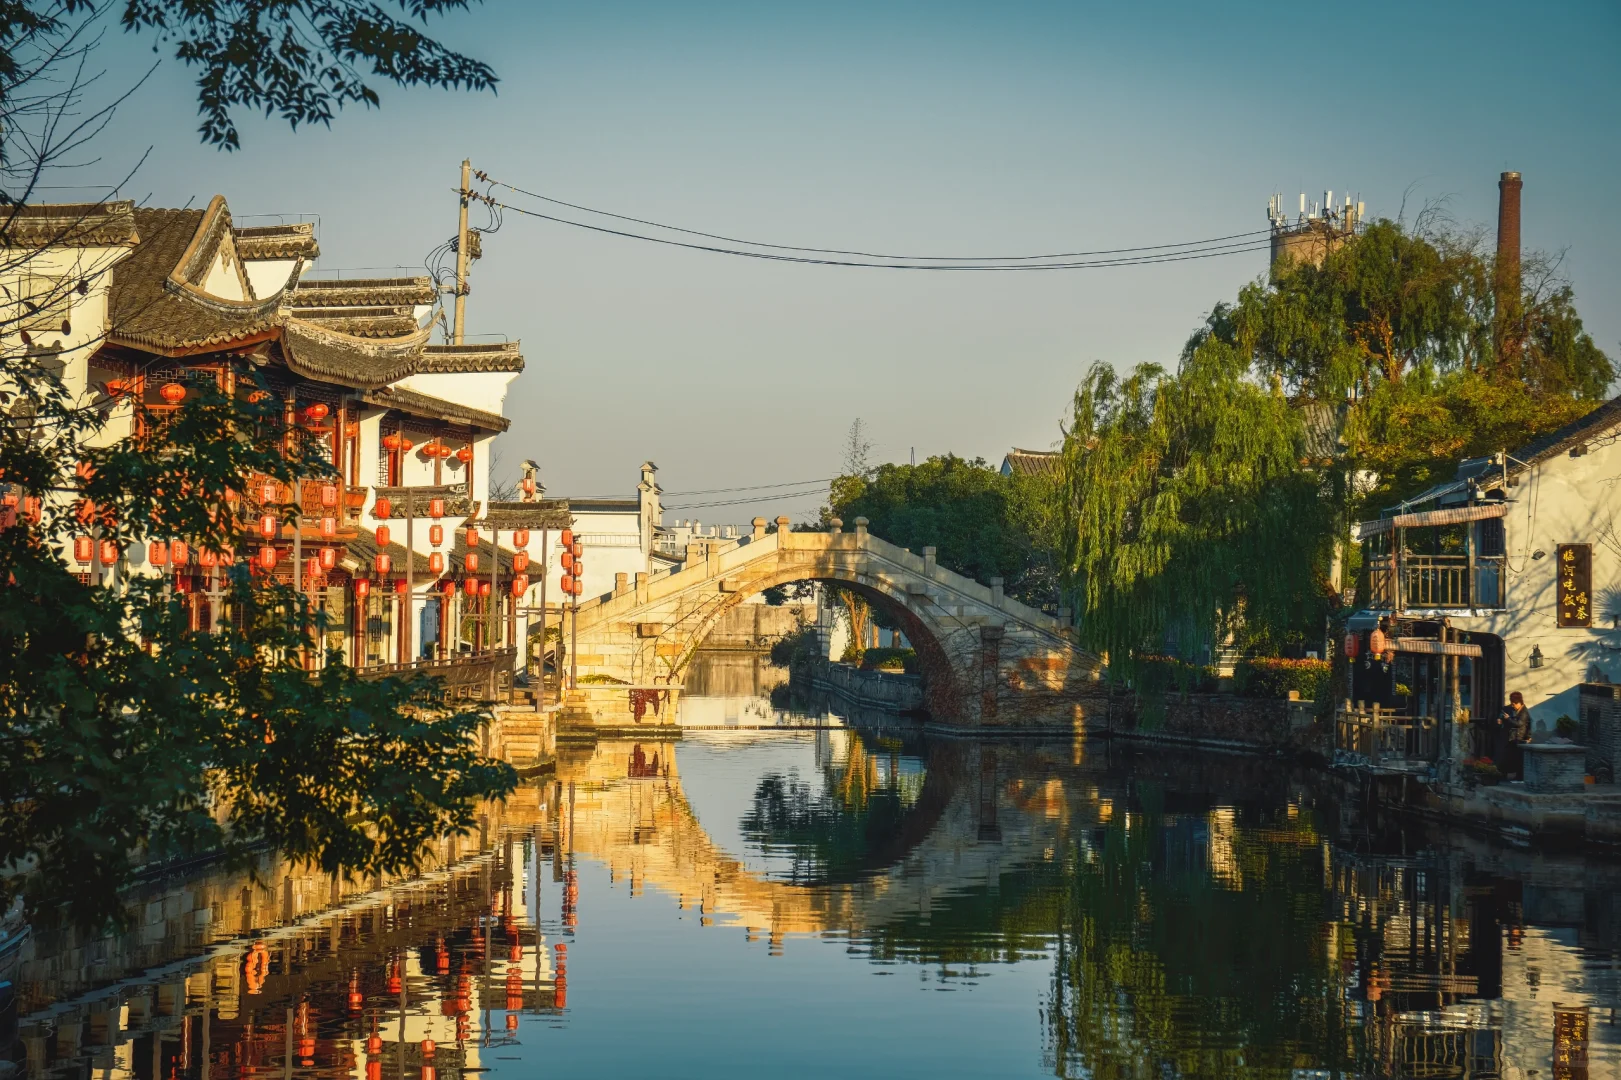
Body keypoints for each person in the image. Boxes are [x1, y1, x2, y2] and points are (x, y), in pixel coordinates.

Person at [1496, 691, 1533, 780]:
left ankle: (1519, 777)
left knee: (1518, 759)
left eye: (1514, 704)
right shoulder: (1512, 709)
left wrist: (1508, 719)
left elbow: (1519, 724)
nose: (1513, 706)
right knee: (1507, 757)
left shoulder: (1524, 712)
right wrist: (1500, 720)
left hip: (1519, 737)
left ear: (1519, 703)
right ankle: (1505, 775)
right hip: (1512, 737)